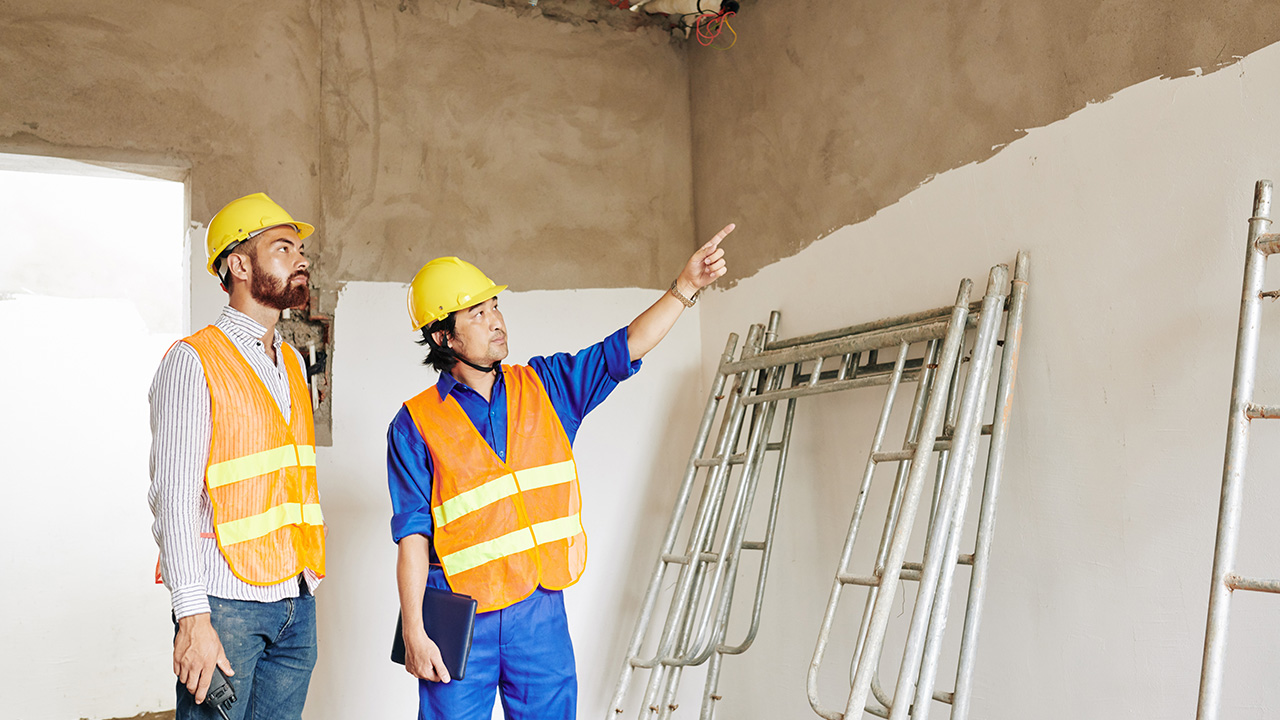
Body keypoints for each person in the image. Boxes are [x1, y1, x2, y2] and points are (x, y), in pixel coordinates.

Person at [387, 223, 733, 719]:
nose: (496, 321)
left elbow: (627, 345)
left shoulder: (547, 386)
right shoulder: (413, 424)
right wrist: (415, 631)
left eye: (495, 308)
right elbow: (412, 537)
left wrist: (686, 287)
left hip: (538, 612)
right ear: (444, 336)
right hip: (459, 616)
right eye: (478, 314)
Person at [148, 192, 326, 720]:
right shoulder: (192, 361)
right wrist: (192, 616)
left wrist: (305, 587)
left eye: (301, 249)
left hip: (296, 597)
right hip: (226, 605)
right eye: (283, 247)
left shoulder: (291, 361)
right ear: (239, 265)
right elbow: (173, 500)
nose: (301, 258)